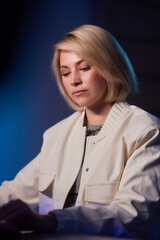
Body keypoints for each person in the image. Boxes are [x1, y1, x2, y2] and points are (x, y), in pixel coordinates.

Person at [0, 24, 160, 239]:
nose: (74, 80)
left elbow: (130, 214)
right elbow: (14, 192)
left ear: (109, 67)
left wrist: (49, 221)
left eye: (84, 68)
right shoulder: (56, 135)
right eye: (65, 73)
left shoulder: (146, 131)